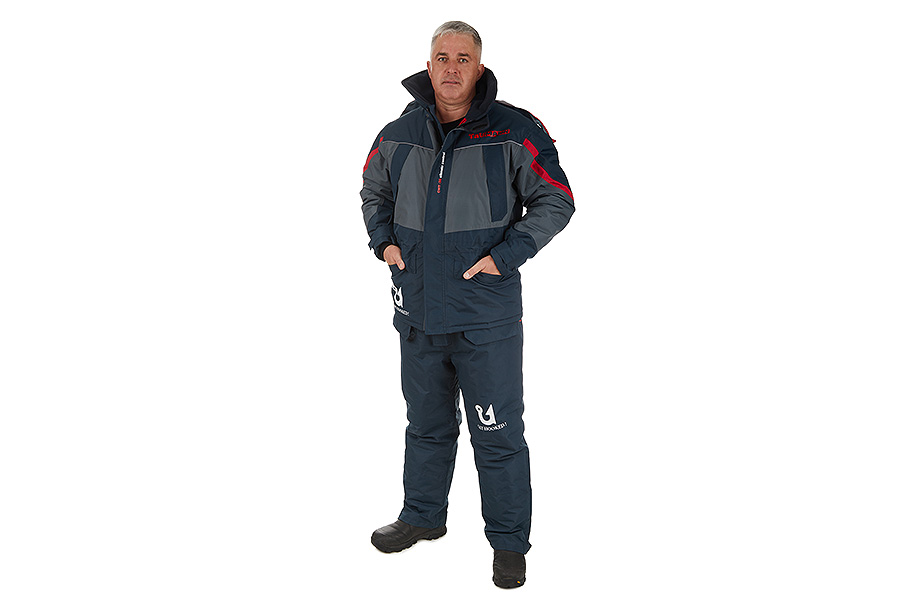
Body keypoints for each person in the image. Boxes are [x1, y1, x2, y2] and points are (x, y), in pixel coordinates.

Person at [360, 21, 574, 588]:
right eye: (441, 57)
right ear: (428, 65)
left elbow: (557, 199)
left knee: (497, 434)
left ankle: (508, 542)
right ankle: (422, 516)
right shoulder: (399, 133)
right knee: (425, 424)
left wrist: (507, 256)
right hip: (417, 312)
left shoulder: (514, 132)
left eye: (462, 58)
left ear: (478, 67)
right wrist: (383, 241)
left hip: (485, 318)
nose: (451, 68)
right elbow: (373, 190)